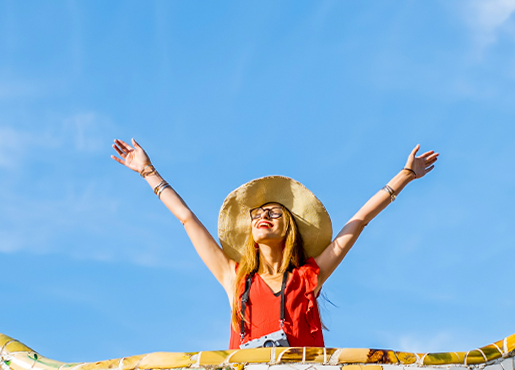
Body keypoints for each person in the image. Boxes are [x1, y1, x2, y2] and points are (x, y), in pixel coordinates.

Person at [111, 139, 439, 349]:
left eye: (274, 212)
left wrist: (405, 176)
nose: (263, 217)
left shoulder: (309, 276)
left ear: (290, 229)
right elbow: (187, 220)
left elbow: (359, 221)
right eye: (257, 214)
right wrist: (148, 172)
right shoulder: (235, 277)